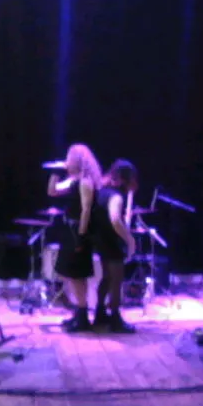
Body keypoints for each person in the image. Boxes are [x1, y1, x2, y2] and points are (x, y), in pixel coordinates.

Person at [47, 143, 102, 332]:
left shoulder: (85, 181)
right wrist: (55, 172)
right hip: (69, 231)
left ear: (77, 160)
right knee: (71, 273)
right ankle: (79, 313)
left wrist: (81, 235)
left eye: (69, 157)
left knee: (77, 274)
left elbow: (86, 210)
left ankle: (83, 316)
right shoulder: (73, 181)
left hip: (78, 232)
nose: (67, 160)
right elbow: (52, 191)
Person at [92, 159, 139, 333]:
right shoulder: (116, 196)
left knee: (106, 278)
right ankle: (115, 319)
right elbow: (115, 219)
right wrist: (129, 239)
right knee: (116, 280)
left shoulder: (103, 191)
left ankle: (100, 313)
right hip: (112, 241)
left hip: (101, 240)